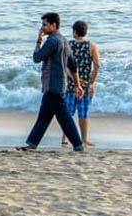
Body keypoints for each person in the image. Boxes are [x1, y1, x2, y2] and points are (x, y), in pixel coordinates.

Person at [19, 13, 85, 152]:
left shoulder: (52, 41)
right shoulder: (65, 41)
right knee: (44, 117)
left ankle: (78, 145)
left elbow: (37, 57)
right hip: (58, 84)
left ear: (53, 25)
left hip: (53, 85)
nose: (42, 28)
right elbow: (73, 65)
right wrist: (77, 85)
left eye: (44, 24)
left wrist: (38, 40)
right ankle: (32, 143)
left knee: (64, 118)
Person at [61, 20, 101, 147]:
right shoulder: (92, 46)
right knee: (83, 113)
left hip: (71, 86)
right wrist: (91, 83)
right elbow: (97, 66)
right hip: (85, 86)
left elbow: (64, 66)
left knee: (68, 113)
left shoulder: (68, 45)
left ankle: (65, 138)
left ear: (74, 32)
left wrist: (73, 78)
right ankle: (84, 139)